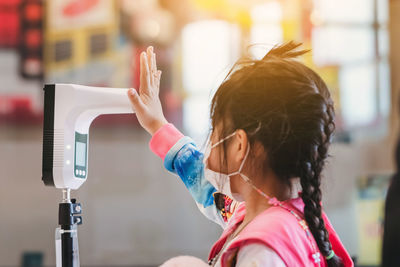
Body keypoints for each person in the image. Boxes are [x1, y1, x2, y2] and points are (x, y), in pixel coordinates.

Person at [127, 43, 353, 267]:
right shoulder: (280, 216)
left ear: (239, 145)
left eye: (214, 130)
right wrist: (158, 125)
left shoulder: (262, 249)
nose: (209, 143)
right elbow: (205, 187)